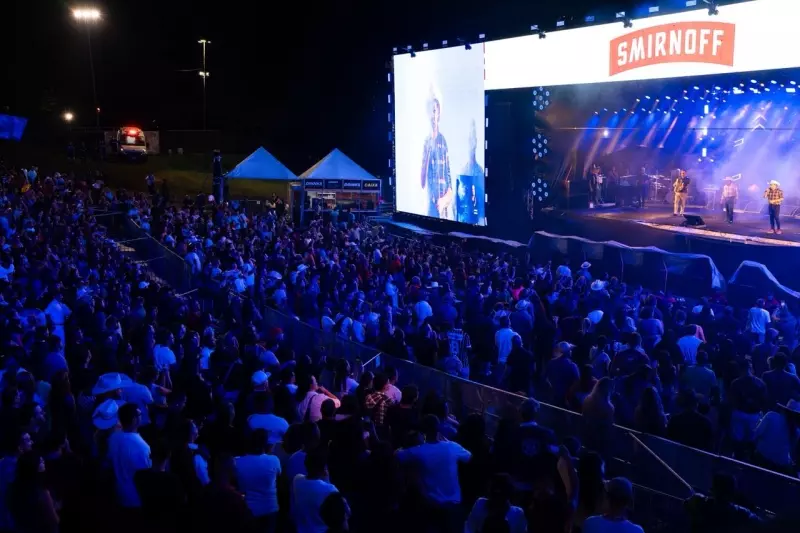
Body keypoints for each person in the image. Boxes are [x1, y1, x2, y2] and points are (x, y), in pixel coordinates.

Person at [236, 429, 282, 532]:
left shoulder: (237, 462)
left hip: (248, 510)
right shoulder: (274, 460)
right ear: (265, 444)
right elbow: (280, 481)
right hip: (270, 508)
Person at [107, 403, 152, 508]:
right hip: (134, 498)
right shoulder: (141, 446)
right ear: (134, 420)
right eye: (140, 414)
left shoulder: (113, 438)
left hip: (118, 493)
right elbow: (145, 472)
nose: (142, 415)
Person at [420, 92, 453, 220]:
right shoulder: (426, 142)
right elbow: (422, 182)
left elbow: (449, 181)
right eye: (430, 111)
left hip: (443, 210)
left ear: (438, 113)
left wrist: (444, 200)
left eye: (435, 111)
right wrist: (428, 150)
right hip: (431, 208)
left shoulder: (443, 141)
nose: (433, 115)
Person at [8, 452, 59, 533]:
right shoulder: (41, 491)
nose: (44, 462)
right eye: (41, 461)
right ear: (34, 466)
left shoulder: (12, 488)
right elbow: (54, 519)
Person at [293, 447, 339, 533]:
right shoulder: (330, 490)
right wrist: (327, 478)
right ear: (324, 468)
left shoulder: (297, 480)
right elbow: (345, 513)